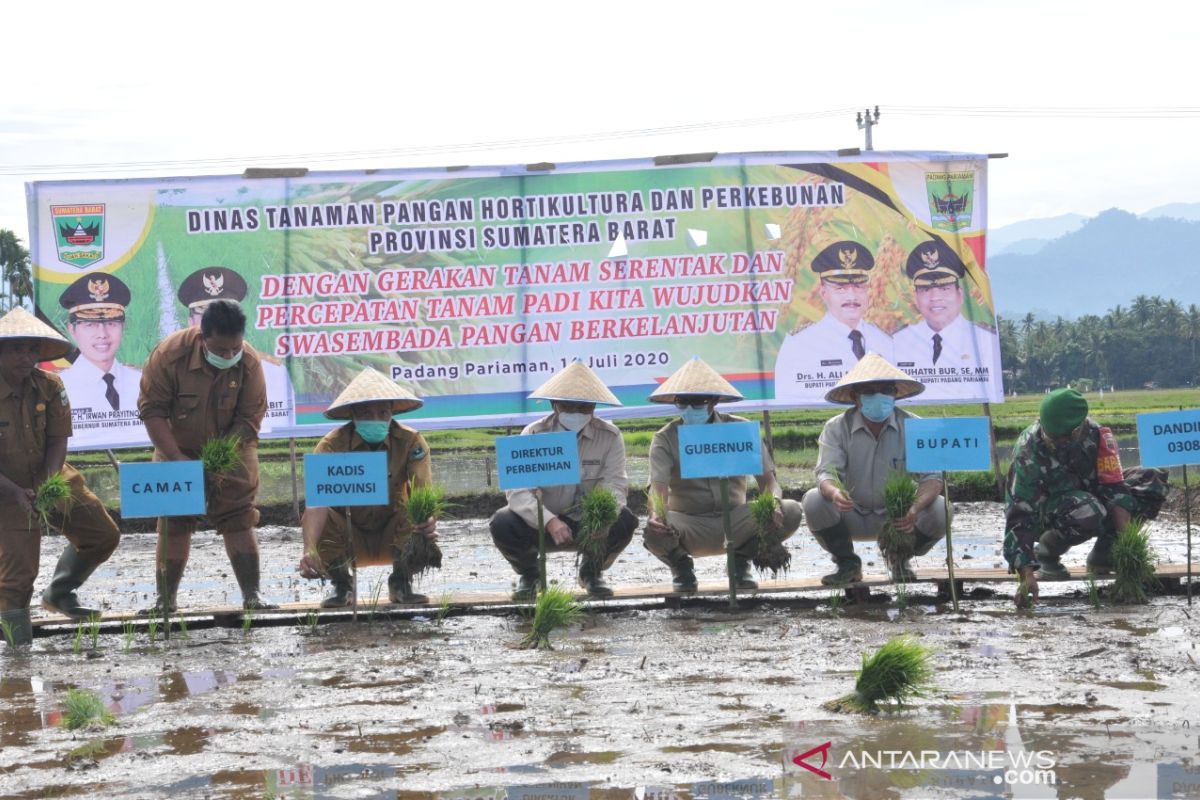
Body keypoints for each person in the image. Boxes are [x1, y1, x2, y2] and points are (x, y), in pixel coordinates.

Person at [137, 299, 276, 612]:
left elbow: (249, 419)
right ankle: (166, 601)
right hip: (177, 447)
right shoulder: (168, 356)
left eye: (234, 349)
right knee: (174, 519)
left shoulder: (249, 362)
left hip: (232, 449)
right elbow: (152, 411)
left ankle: (252, 596)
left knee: (238, 517)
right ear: (202, 338)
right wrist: (175, 458)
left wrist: (218, 459)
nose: (229, 356)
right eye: (221, 350)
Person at [0, 308, 121, 645]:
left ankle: (59, 593)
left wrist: (47, 483)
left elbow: (57, 439)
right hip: (4, 489)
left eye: (32, 349)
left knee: (102, 534)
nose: (27, 357)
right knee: (18, 576)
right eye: (17, 349)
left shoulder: (50, 385)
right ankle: (18, 654)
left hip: (49, 476)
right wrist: (15, 493)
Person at [644, 357, 804, 592]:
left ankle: (740, 562)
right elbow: (658, 490)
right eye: (683, 402)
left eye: (697, 402)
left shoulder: (739, 430)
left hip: (737, 519)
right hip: (689, 522)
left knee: (791, 510)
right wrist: (657, 514)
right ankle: (681, 567)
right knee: (652, 530)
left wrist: (774, 503)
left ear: (714, 401)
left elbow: (769, 482)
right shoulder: (665, 438)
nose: (690, 409)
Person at [1004, 388, 1168, 605]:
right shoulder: (1028, 452)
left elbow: (1115, 488)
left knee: (1150, 478)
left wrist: (1128, 549)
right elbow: (1019, 516)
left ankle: (1105, 554)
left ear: (1077, 430)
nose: (1052, 442)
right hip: (1047, 514)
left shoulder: (1099, 436)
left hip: (1089, 498)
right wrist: (1026, 575)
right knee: (1089, 509)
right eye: (1049, 436)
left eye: (1060, 439)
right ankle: (1046, 553)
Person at [489, 360, 637, 600]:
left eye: (584, 407)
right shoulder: (534, 434)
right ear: (554, 405)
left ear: (594, 407)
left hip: (589, 525)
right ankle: (530, 574)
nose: (577, 413)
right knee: (502, 522)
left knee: (625, 519)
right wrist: (549, 521)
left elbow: (616, 485)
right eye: (569, 406)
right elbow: (517, 491)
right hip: (542, 524)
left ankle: (592, 571)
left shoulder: (610, 436)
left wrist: (603, 519)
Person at [801, 353, 949, 584]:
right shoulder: (836, 428)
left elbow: (933, 478)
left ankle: (899, 557)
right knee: (813, 500)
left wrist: (914, 508)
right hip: (852, 512)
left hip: (898, 516)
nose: (878, 397)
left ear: (895, 394)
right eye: (869, 391)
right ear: (855, 397)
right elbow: (826, 473)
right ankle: (847, 564)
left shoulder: (915, 426)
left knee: (942, 509)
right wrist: (835, 493)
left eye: (886, 390)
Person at [297, 367, 439, 606]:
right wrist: (309, 550)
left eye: (382, 412)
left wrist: (428, 521)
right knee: (322, 521)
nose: (375, 419)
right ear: (353, 414)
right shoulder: (331, 446)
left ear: (391, 412)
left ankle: (401, 582)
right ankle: (342, 585)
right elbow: (316, 504)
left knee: (415, 511)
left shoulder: (411, 441)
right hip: (349, 533)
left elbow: (423, 493)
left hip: (394, 532)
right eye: (366, 413)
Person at [178, 266, 294, 432]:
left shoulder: (271, 371)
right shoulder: (171, 361)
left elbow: (250, 422)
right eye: (206, 313)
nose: (218, 322)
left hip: (239, 446)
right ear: (190, 322)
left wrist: (226, 451)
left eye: (225, 314)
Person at [774, 241, 892, 403]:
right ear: (823, 293)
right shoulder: (799, 344)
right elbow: (787, 401)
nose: (851, 296)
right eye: (840, 288)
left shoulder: (885, 340)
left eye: (858, 286)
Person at [891, 240, 1000, 393]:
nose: (935, 297)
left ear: (959, 295)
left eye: (944, 288)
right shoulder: (898, 341)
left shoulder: (983, 339)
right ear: (916, 296)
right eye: (926, 289)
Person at [56, 272, 145, 447]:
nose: (102, 335)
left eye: (111, 323)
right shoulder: (58, 387)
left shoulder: (143, 381)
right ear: (72, 330)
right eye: (90, 325)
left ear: (123, 327)